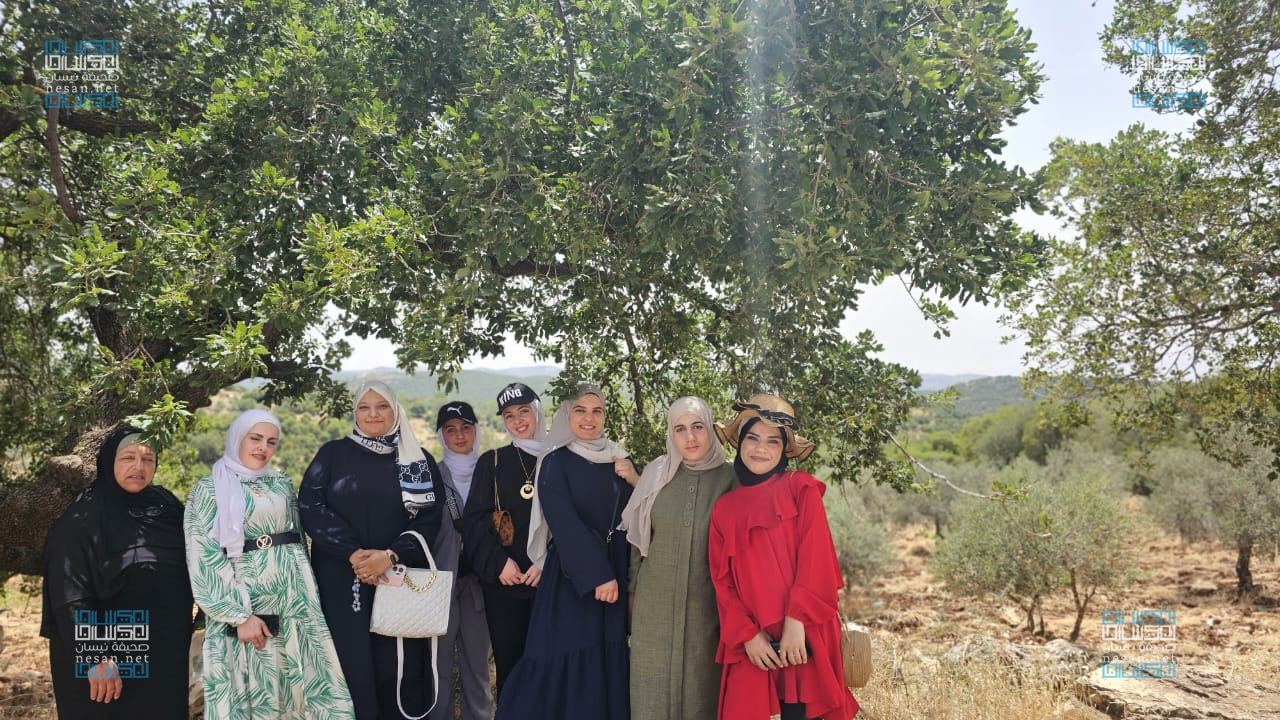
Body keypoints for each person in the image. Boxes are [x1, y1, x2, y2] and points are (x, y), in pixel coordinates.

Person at [184, 408, 355, 719]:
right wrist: (238, 616)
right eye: (256, 438)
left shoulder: (280, 483)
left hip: (295, 601)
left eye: (271, 442)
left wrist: (307, 594)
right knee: (259, 687)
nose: (263, 447)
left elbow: (299, 539)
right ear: (238, 437)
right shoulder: (209, 489)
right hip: (248, 603)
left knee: (308, 685)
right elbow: (204, 556)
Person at [298, 381, 446, 720]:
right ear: (355, 413)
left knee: (397, 668)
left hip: (397, 578)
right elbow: (310, 506)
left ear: (395, 410)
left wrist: (389, 556)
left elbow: (429, 519)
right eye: (364, 407)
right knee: (349, 663)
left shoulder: (417, 460)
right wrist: (354, 554)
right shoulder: (332, 455)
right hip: (341, 578)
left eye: (382, 406)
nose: (373, 414)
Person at [708, 395, 859, 720]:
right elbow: (723, 583)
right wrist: (748, 635)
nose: (760, 448)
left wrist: (795, 623)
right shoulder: (724, 509)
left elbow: (817, 561)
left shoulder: (800, 488)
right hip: (752, 641)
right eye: (753, 438)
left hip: (803, 634)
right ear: (740, 443)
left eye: (772, 441)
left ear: (783, 450)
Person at [493, 384, 639, 720]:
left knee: (604, 661)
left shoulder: (619, 458)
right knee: (566, 657)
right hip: (574, 579)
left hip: (614, 574)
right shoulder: (555, 461)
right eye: (580, 410)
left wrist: (635, 480)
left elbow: (641, 516)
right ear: (566, 415)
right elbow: (564, 522)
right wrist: (597, 575)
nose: (589, 418)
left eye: (597, 411)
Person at [41, 427, 193, 719]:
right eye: (128, 458)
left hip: (165, 655)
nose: (139, 467)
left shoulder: (166, 506)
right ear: (109, 461)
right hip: (110, 656)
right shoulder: (83, 518)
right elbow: (69, 593)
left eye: (148, 459)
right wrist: (94, 655)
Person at [620, 396, 736, 720]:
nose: (690, 437)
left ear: (710, 429)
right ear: (671, 434)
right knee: (650, 697)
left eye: (698, 427)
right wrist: (632, 597)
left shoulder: (731, 480)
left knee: (702, 695)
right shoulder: (656, 474)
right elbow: (637, 544)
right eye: (680, 429)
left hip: (707, 614)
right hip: (652, 612)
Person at [460, 382, 545, 698]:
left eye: (524, 411)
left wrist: (547, 561)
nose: (518, 421)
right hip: (505, 587)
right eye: (509, 415)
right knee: (511, 671)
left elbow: (572, 521)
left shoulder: (559, 458)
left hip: (549, 584)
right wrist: (499, 563)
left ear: (537, 411)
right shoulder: (492, 462)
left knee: (549, 668)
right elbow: (474, 523)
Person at [430, 400, 493, 720]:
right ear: (441, 435)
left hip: (480, 585)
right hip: (440, 584)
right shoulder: (431, 476)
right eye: (450, 429)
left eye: (466, 428)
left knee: (477, 668)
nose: (459, 435)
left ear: (476, 431)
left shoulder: (492, 472)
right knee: (437, 667)